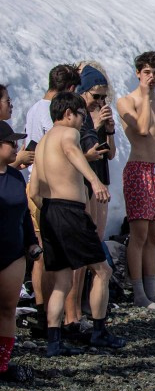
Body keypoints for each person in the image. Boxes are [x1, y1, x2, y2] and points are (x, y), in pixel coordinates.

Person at [30, 92, 125, 355]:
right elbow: (73, 150)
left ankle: (54, 342)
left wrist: (49, 211)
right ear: (69, 113)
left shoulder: (42, 143)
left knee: (62, 281)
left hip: (49, 210)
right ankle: (99, 331)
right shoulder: (68, 134)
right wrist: (94, 181)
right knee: (103, 271)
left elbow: (34, 190)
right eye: (81, 115)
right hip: (70, 210)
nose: (82, 120)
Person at [117, 51, 155, 310]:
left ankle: (152, 291)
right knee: (138, 233)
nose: (151, 78)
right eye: (147, 73)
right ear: (138, 73)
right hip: (138, 168)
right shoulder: (126, 101)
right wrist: (143, 95)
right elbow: (141, 129)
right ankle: (139, 292)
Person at [23, 64, 82, 335]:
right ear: (70, 89)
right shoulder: (54, 113)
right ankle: (53, 314)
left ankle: (42, 309)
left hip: (35, 185)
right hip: (51, 189)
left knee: (41, 253)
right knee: (52, 256)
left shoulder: (34, 108)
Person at [64, 65, 114, 337]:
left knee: (92, 248)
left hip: (98, 182)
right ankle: (72, 315)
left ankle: (80, 310)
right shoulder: (75, 119)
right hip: (84, 186)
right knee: (82, 254)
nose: (100, 102)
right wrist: (94, 126)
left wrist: (109, 130)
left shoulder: (92, 116)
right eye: (96, 96)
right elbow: (78, 152)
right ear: (82, 93)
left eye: (104, 97)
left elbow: (109, 154)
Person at [0, 115, 39, 381]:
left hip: (13, 253)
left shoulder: (15, 175)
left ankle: (2, 365)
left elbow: (24, 214)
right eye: (9, 143)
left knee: (7, 309)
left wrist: (32, 244)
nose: (16, 148)